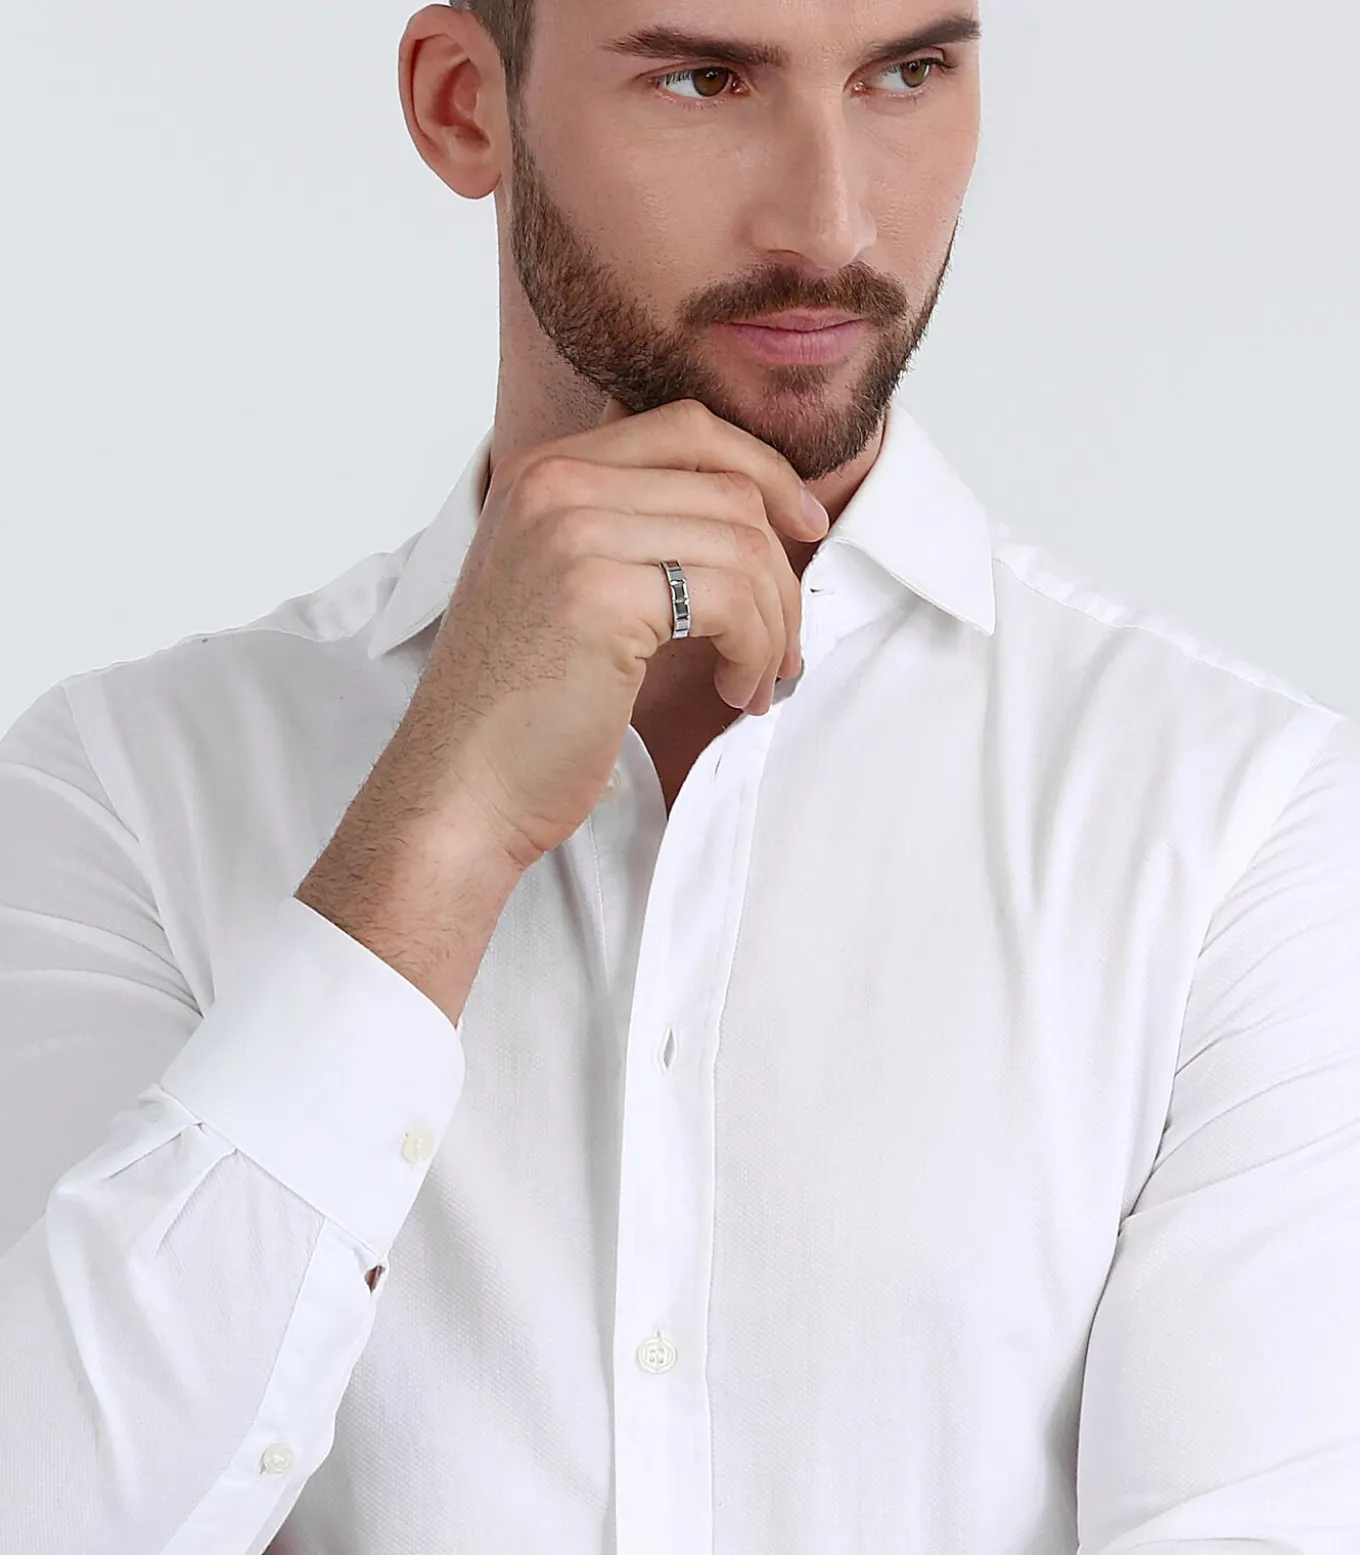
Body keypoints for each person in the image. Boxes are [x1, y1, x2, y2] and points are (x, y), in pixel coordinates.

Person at [1, 0, 1357, 1550]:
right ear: (463, 105)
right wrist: (437, 833)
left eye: (908, 72)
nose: (830, 222)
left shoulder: (1237, 826)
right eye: (706, 79)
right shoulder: (123, 793)